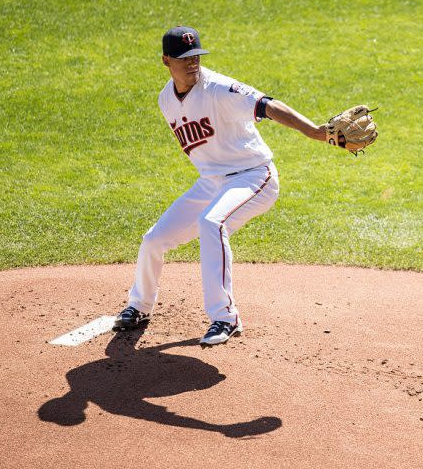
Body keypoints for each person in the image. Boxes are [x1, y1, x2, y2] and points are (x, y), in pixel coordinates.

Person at [113, 25, 330, 346]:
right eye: (184, 58)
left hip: (254, 176)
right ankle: (139, 305)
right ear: (165, 61)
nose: (192, 63)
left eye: (196, 56)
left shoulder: (219, 88)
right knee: (154, 239)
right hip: (211, 183)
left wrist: (313, 131)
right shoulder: (165, 100)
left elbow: (266, 105)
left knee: (212, 222)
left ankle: (225, 318)